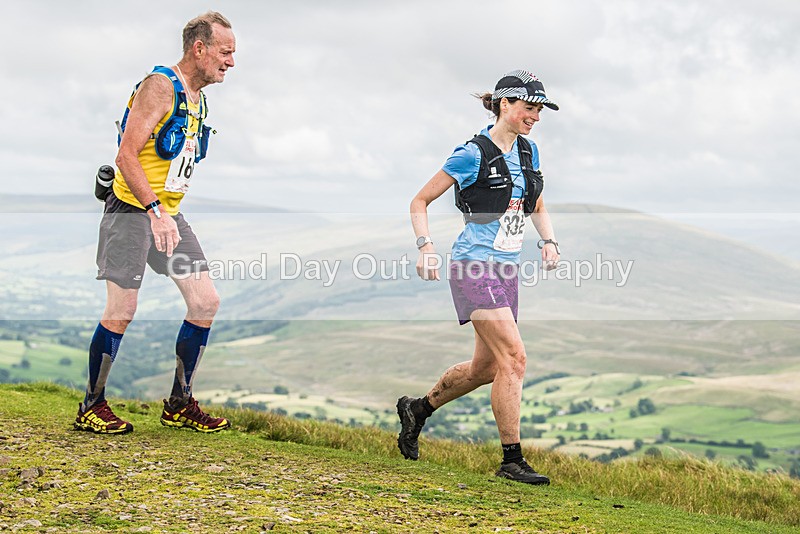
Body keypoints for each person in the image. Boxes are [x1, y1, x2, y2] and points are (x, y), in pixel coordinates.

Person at [74, 12, 236, 435]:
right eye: (225, 52)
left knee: (205, 302)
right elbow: (126, 155)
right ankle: (92, 404)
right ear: (199, 49)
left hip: (166, 216)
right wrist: (155, 211)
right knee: (122, 310)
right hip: (133, 213)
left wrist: (165, 214)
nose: (231, 62)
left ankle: (179, 404)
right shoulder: (159, 86)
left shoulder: (197, 97)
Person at [397, 70, 560, 485]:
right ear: (505, 104)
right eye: (529, 108)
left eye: (539, 110)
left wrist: (549, 241)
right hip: (473, 265)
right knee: (515, 359)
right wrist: (425, 246)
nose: (535, 116)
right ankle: (511, 460)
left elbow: (535, 200)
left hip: (506, 268)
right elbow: (420, 199)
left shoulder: (529, 152)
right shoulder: (472, 154)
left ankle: (419, 409)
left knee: (486, 368)